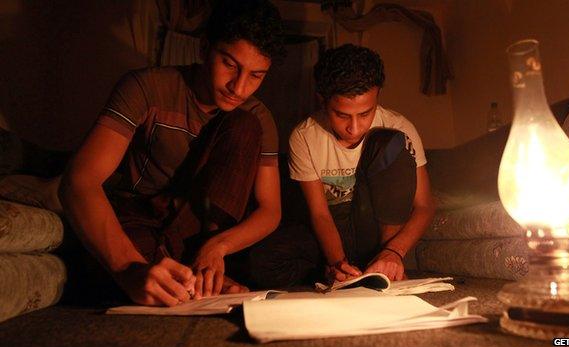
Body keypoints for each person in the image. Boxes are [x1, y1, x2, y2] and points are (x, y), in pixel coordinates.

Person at [59, 0, 285, 306]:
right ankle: (192, 279)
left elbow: (270, 210)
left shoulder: (258, 117)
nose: (239, 87)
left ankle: (193, 273)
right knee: (111, 269)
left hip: (200, 231)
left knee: (246, 125)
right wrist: (128, 270)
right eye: (229, 64)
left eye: (256, 76)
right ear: (205, 49)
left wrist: (217, 247)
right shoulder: (146, 87)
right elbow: (79, 181)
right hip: (139, 215)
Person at [250, 44, 435, 287]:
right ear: (323, 101)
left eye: (365, 113)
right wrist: (338, 263)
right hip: (332, 228)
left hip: (375, 226)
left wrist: (393, 252)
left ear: (378, 95)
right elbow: (319, 214)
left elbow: (425, 206)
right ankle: (342, 273)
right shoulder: (305, 136)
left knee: (390, 141)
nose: (355, 128)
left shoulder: (400, 127)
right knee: (259, 262)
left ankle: (385, 270)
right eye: (342, 115)